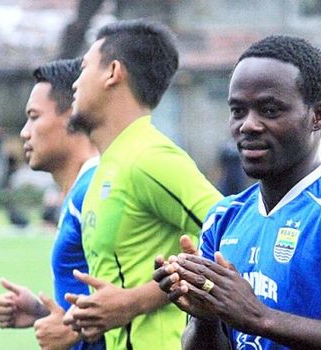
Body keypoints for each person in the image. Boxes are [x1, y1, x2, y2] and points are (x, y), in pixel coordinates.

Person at [154, 35, 321, 349]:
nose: (248, 125)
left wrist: (258, 317)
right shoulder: (223, 218)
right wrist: (207, 316)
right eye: (238, 111)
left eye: (269, 110)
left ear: (319, 115)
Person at [62, 19, 222, 350]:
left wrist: (135, 301)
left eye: (84, 68)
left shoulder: (149, 157)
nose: (75, 84)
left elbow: (234, 234)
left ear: (113, 72)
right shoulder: (108, 166)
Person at [0, 58, 105, 350]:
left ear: (73, 117)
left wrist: (77, 331)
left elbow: (142, 296)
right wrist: (44, 313)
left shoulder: (99, 191)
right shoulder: (80, 192)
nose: (24, 132)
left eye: (34, 117)